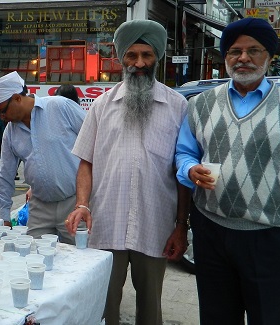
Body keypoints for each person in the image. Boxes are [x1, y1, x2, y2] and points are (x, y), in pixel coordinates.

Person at [174, 18, 280, 325]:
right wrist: (189, 169)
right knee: (216, 316)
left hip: (269, 237)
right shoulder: (200, 104)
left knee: (269, 317)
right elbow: (184, 153)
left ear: (269, 57)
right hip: (211, 230)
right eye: (234, 51)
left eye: (253, 50)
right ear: (226, 58)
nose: (243, 58)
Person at [66, 20, 191, 325]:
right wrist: (82, 203)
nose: (139, 63)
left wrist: (180, 226)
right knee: (103, 307)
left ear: (157, 58)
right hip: (106, 223)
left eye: (146, 55)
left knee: (151, 310)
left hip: (156, 225)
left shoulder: (178, 106)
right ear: (121, 59)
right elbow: (86, 161)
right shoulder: (101, 105)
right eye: (131, 55)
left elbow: (183, 171)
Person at [0, 71, 86, 243]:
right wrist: (4, 216)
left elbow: (93, 139)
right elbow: (5, 174)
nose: (1, 117)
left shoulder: (60, 107)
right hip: (39, 207)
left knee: (78, 259)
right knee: (36, 259)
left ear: (17, 98)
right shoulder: (10, 133)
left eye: (2, 111)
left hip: (73, 203)